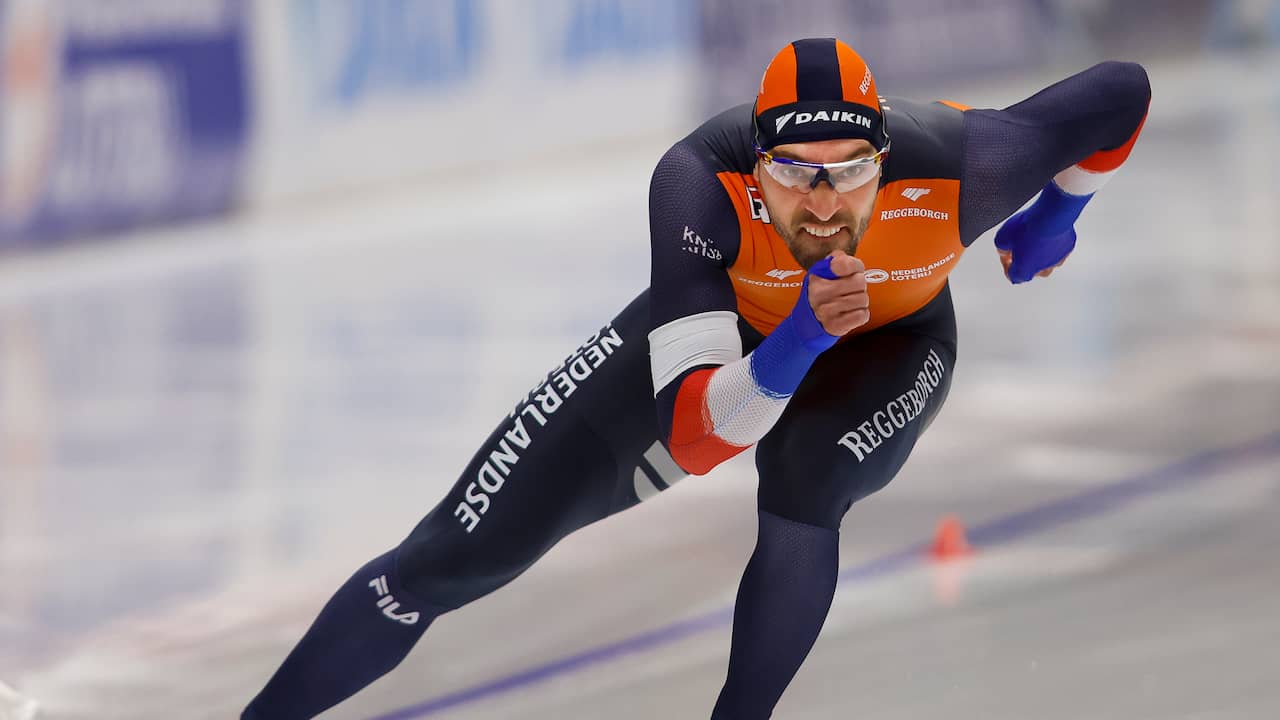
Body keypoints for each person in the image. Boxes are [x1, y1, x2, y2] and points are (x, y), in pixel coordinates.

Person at [243, 37, 1150, 719]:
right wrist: (794, 337)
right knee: (453, 557)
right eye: (796, 176)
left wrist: (1059, 214)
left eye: (851, 174)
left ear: (888, 162)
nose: (826, 205)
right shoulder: (695, 185)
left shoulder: (965, 165)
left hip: (892, 345)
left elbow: (1121, 94)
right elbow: (696, 434)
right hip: (734, 343)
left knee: (806, 476)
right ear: (757, 172)